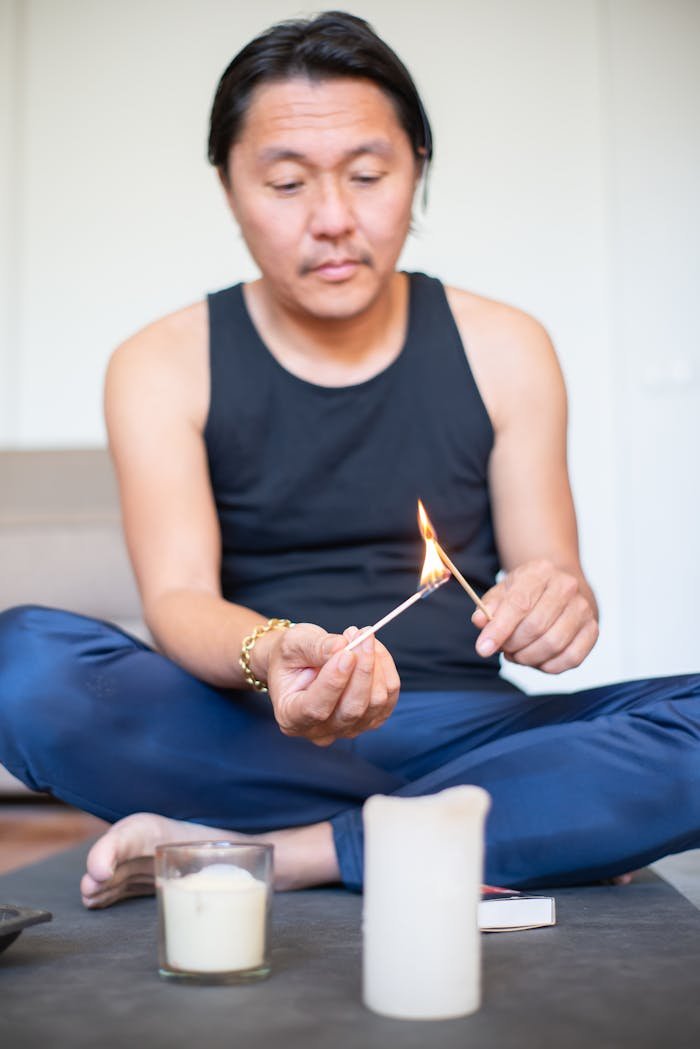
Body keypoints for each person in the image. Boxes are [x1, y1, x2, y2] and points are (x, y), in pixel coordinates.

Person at [0, 11, 698, 909]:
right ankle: (508, 828)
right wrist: (271, 652)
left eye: (368, 175)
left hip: (471, 731)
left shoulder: (507, 345)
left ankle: (281, 852)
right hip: (253, 728)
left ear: (416, 170)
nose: (334, 219)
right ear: (229, 189)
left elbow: (550, 568)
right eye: (287, 183)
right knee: (22, 664)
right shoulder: (160, 363)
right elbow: (176, 600)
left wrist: (557, 602)